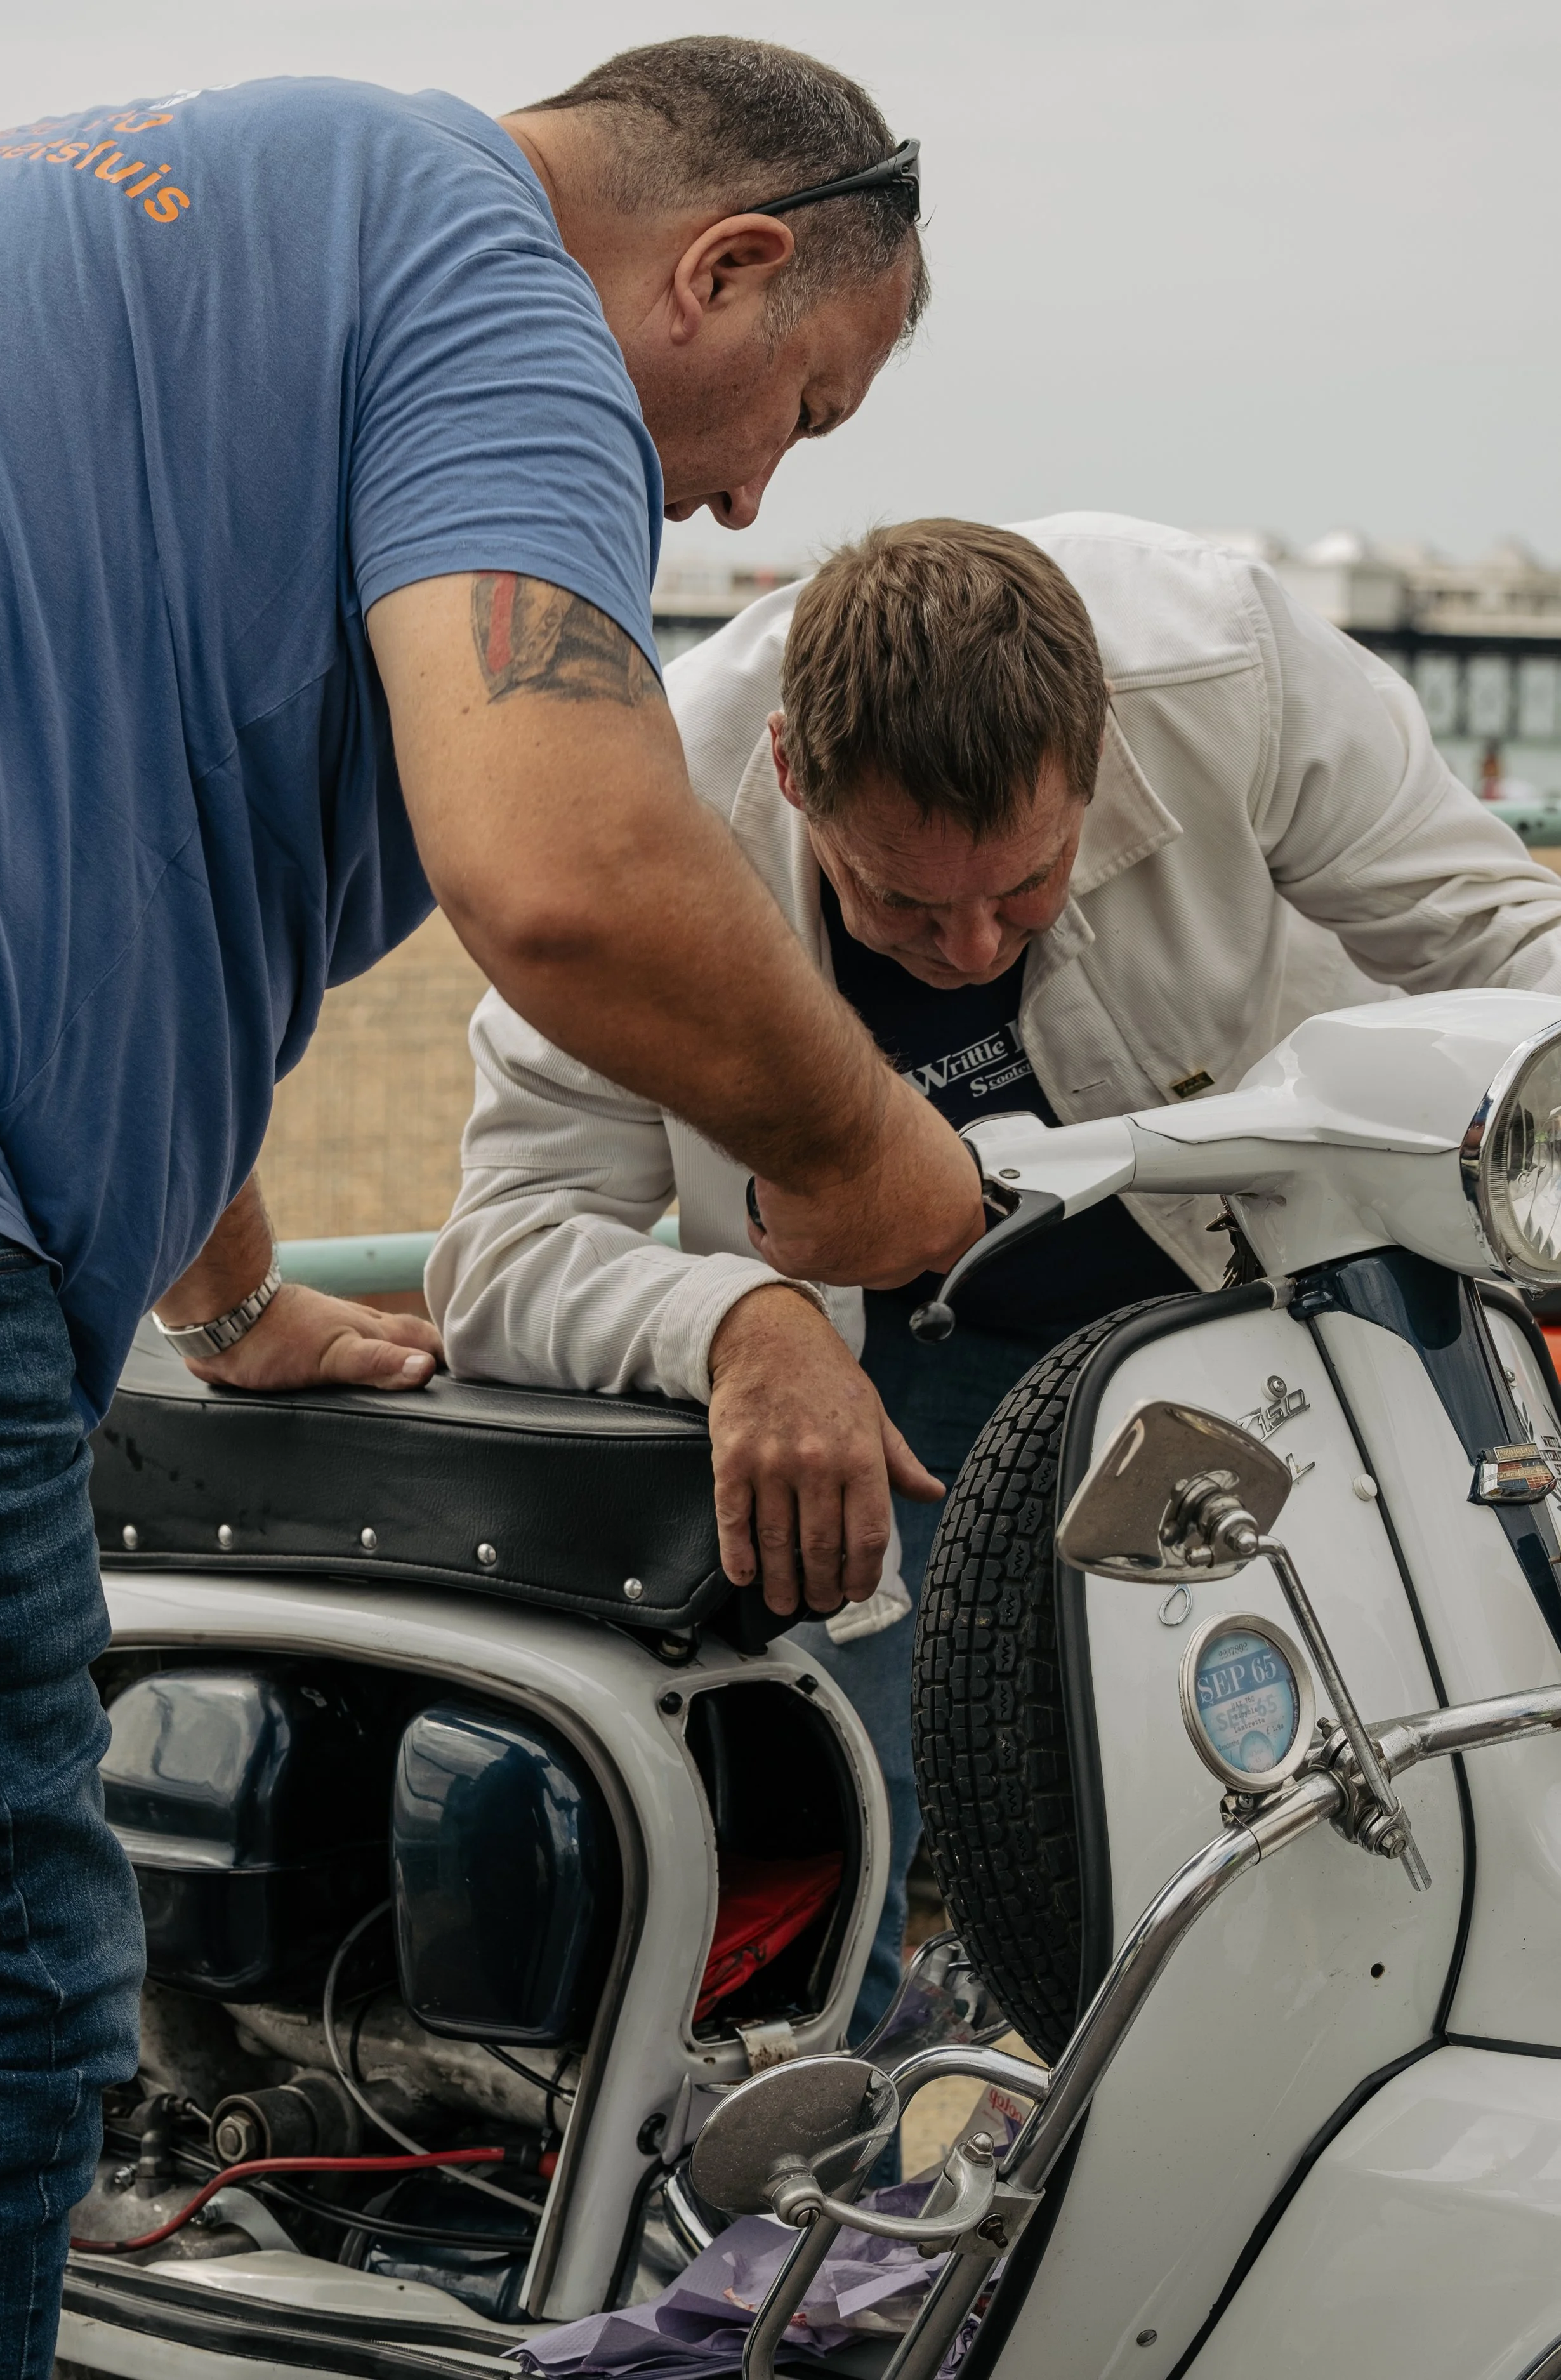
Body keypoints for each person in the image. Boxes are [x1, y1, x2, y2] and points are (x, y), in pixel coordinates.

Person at [0, 45, 988, 2367]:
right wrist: (872, 1175)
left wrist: (235, 1305)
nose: (736, 511)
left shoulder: (208, 234)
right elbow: (565, 866)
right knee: (16, 2008)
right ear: (720, 273)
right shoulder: (483, 269)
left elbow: (96, 860)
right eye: (794, 417)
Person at [428, 512, 1561, 2047]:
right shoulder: (645, 822)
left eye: (1025, 888)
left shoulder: (1232, 660)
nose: (964, 945)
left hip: (1262, 1296)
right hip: (892, 1367)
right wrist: (737, 1323)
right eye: (895, 904)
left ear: (1094, 762)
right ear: (786, 768)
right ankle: (845, 2178)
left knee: (1395, 1740)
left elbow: (1504, 944)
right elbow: (502, 1241)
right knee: (860, 1791)